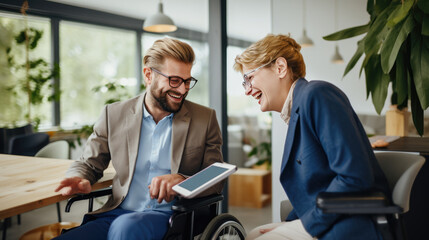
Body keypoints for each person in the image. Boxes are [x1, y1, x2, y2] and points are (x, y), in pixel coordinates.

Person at [54, 38, 223, 240]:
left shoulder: (205, 118)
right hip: (116, 213)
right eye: (174, 80)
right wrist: (80, 176)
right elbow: (89, 163)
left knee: (126, 228)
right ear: (148, 74)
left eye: (187, 81)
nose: (182, 90)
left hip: (171, 217)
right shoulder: (113, 114)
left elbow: (215, 175)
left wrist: (183, 180)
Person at [233, 34, 391, 240]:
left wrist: (306, 224)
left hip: (350, 222)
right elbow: (316, 188)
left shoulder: (316, 94)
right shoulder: (299, 108)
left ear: (280, 68)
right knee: (254, 234)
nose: (247, 90)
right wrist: (288, 224)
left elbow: (354, 177)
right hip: (329, 217)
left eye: (249, 78)